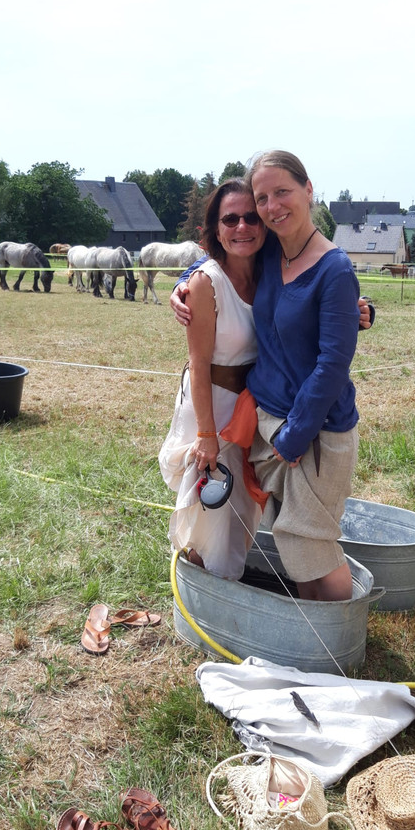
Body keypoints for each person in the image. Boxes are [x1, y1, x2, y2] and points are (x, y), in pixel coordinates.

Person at [172, 151, 365, 601]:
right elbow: (220, 261)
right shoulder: (272, 253)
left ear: (308, 190)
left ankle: (337, 627)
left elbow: (332, 359)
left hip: (306, 426)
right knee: (264, 532)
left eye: (282, 192)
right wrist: (186, 280)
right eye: (263, 198)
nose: (269, 208)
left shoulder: (323, 266)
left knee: (307, 542)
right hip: (253, 416)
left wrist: (295, 436)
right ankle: (256, 609)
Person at [158, 179, 265, 579]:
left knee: (241, 508)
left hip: (248, 410)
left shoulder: (270, 273)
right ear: (216, 230)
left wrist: (357, 307)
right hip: (212, 406)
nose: (242, 227)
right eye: (230, 219)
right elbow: (198, 363)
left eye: (251, 217)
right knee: (211, 509)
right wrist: (206, 434)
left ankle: (226, 582)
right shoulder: (206, 282)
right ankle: (204, 590)